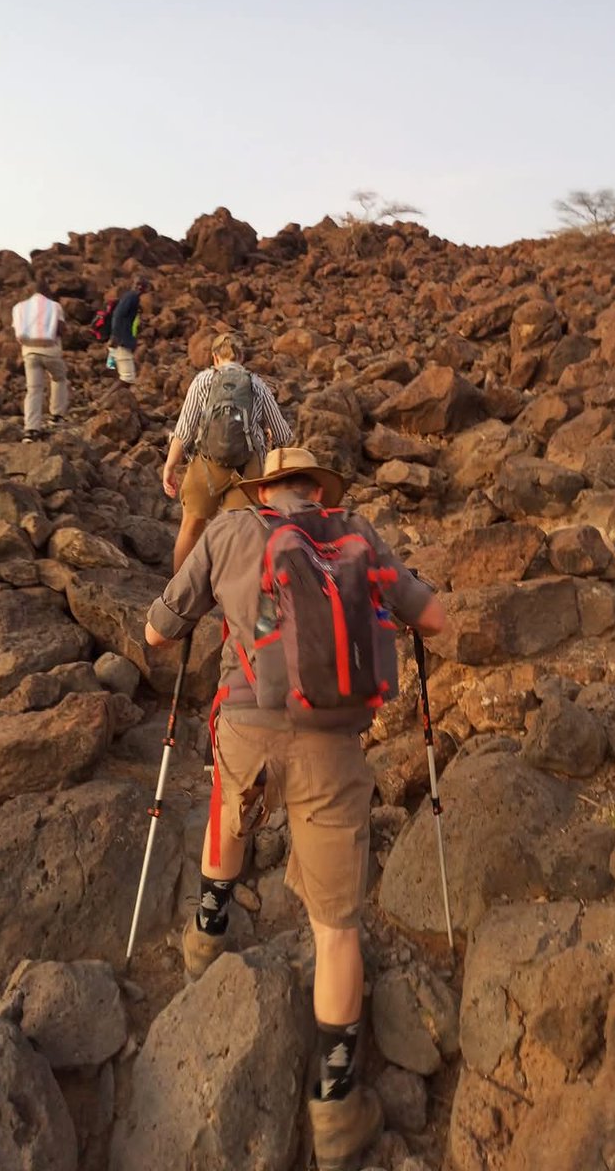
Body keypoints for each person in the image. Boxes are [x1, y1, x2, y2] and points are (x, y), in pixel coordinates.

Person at [145, 447, 446, 1171]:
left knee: (228, 820)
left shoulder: (228, 530)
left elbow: (158, 631)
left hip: (247, 730)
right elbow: (432, 618)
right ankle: (337, 1106)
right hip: (333, 747)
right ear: (319, 490)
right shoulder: (358, 534)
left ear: (263, 488)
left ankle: (207, 940)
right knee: (337, 926)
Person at [162, 331, 293, 571]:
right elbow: (283, 435)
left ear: (214, 357)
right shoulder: (256, 384)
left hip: (206, 465)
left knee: (191, 527)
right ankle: (235, 598)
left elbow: (184, 430)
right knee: (241, 536)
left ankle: (177, 595)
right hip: (247, 469)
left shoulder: (202, 380)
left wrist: (169, 467)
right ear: (241, 357)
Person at [11, 282, 69, 442]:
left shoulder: (19, 307)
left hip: (29, 352)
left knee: (33, 390)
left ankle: (31, 430)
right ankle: (57, 415)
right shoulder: (55, 306)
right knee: (59, 378)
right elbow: (61, 329)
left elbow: (18, 331)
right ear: (46, 292)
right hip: (50, 350)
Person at [108, 275, 151, 383]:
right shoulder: (132, 297)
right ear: (142, 287)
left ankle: (111, 398)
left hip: (123, 339)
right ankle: (103, 400)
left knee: (122, 374)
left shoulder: (131, 297)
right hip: (122, 340)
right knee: (128, 378)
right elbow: (118, 315)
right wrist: (115, 336)